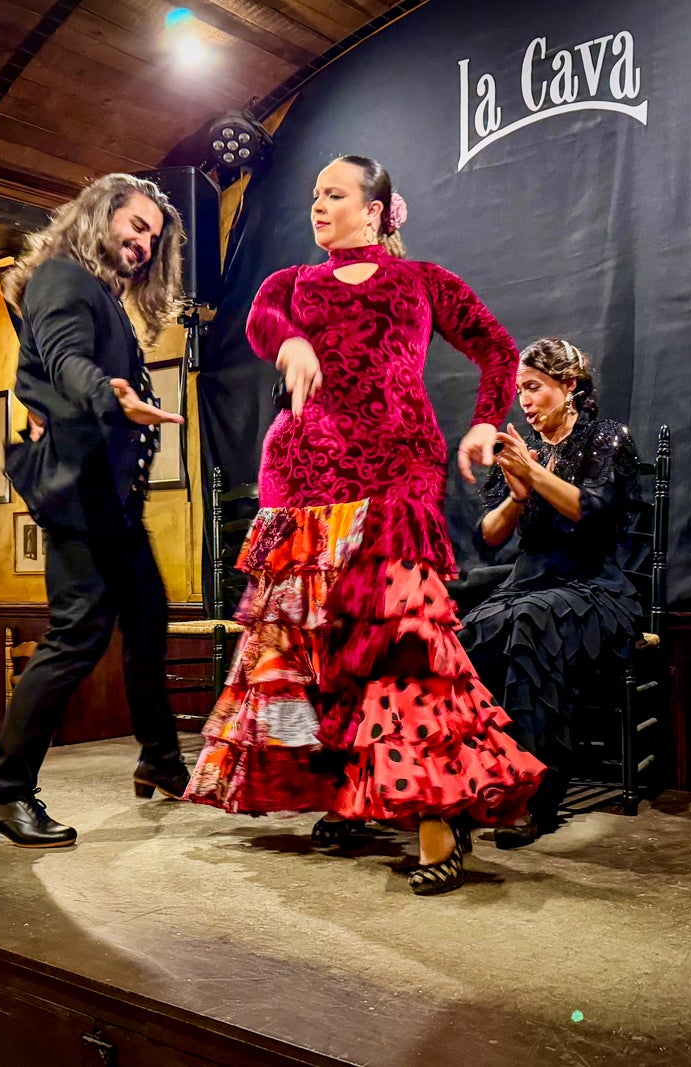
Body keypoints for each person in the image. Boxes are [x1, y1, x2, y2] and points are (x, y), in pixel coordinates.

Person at [184, 154, 544, 895]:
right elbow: (262, 320)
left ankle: (437, 818)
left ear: (376, 210)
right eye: (314, 193)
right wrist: (288, 342)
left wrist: (484, 424)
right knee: (322, 650)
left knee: (401, 643)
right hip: (304, 480)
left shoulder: (421, 282)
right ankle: (349, 791)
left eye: (335, 194)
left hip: (394, 476)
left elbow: (497, 349)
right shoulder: (289, 284)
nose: (318, 204)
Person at [0, 173, 190, 848]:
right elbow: (65, 360)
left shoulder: (93, 293)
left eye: (154, 235)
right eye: (136, 225)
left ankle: (160, 755)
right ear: (100, 217)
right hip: (80, 494)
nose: (145, 242)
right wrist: (110, 392)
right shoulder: (65, 279)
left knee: (147, 618)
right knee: (77, 635)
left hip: (109, 498)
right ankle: (3, 793)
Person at [459, 338, 647, 848]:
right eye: (519, 390)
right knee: (473, 630)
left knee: (532, 623)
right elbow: (489, 537)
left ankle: (535, 797)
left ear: (569, 386)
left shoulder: (605, 437)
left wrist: (533, 474)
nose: (523, 400)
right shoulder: (525, 451)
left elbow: (594, 513)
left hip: (594, 583)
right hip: (531, 579)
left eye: (534, 388)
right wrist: (518, 496)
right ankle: (480, 786)